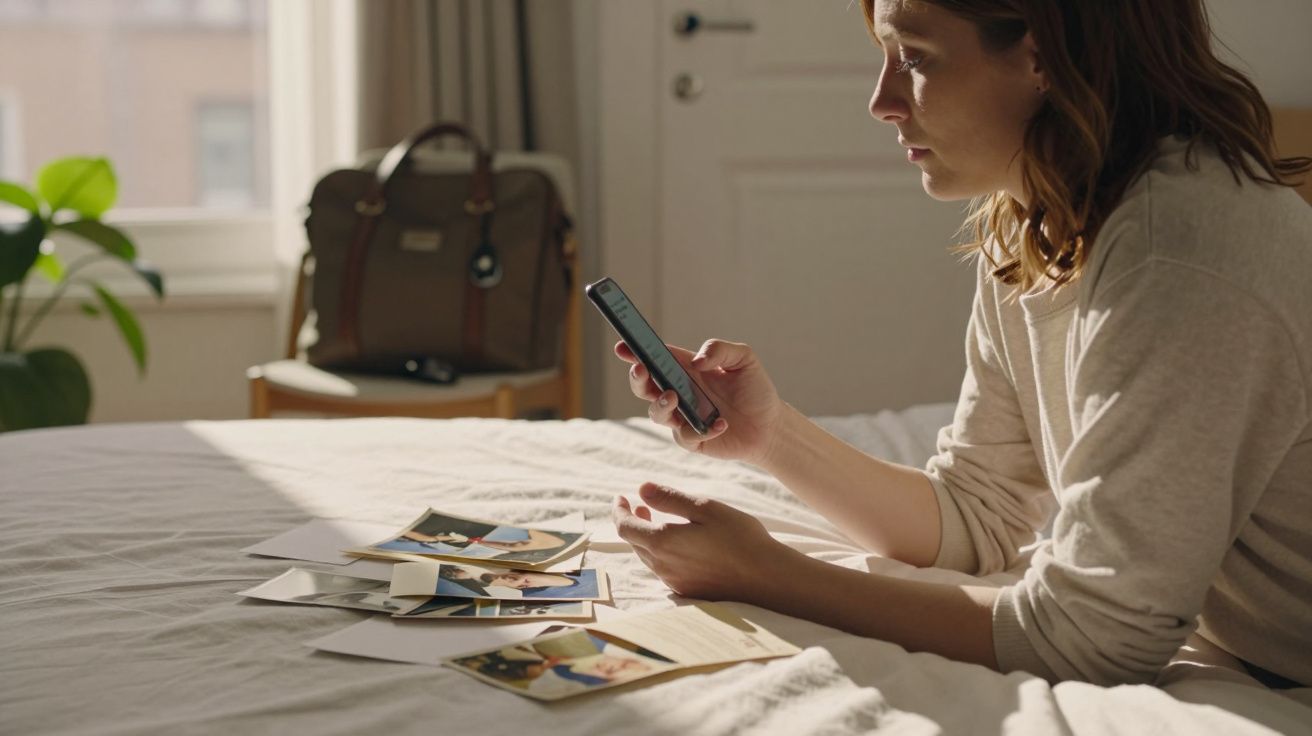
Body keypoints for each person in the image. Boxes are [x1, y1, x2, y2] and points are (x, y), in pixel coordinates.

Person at [611, 0, 1311, 689]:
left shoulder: (1178, 255)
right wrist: (771, 436)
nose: (880, 103)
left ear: (1043, 57)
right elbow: (979, 514)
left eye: (915, 59)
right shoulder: (1035, 219)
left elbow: (1094, 639)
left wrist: (768, 574)